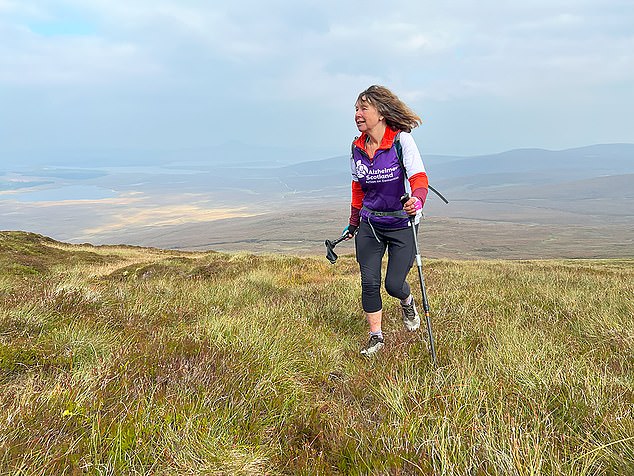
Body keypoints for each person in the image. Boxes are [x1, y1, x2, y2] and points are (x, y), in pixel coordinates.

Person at [343, 85, 429, 356]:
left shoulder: (401, 141)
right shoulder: (357, 147)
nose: (357, 114)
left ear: (380, 112)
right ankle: (376, 337)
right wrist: (354, 221)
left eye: (363, 108)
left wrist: (417, 201)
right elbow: (358, 188)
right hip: (370, 223)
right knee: (369, 282)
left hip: (401, 223)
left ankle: (407, 300)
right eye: (356, 109)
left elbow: (419, 178)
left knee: (393, 284)